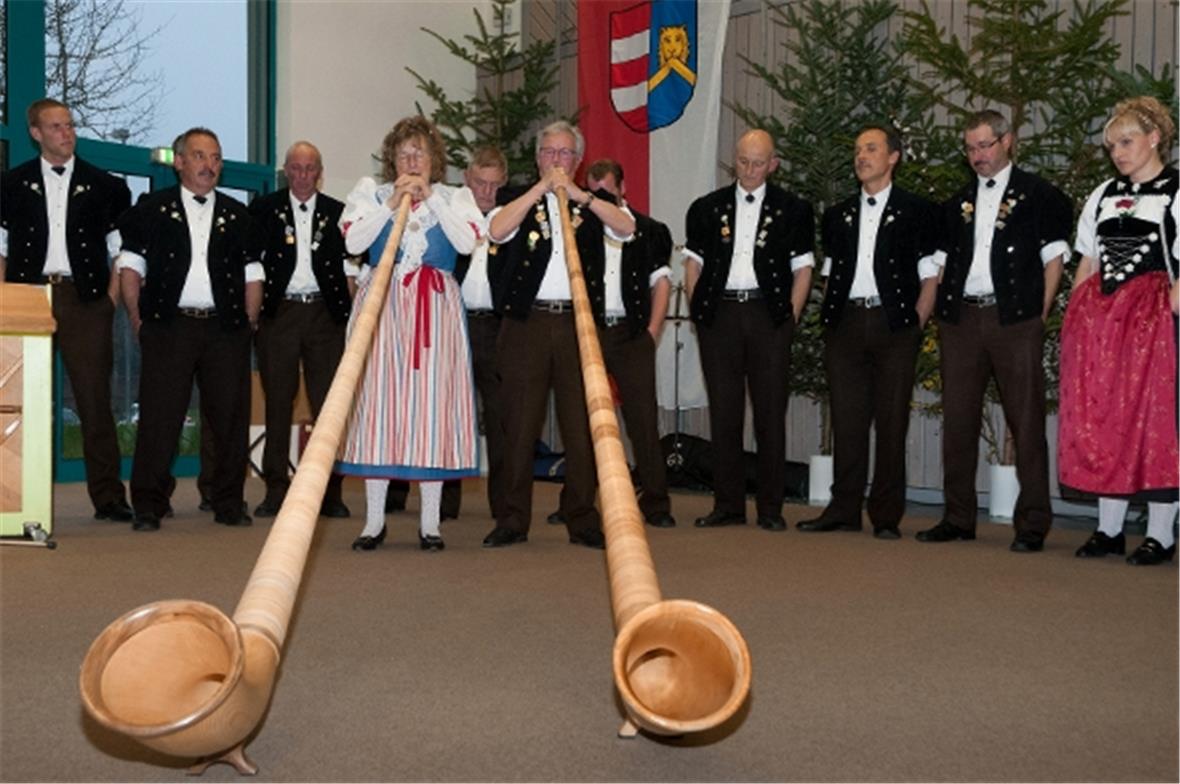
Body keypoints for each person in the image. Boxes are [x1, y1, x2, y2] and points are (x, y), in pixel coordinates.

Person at [917, 109, 1072, 552]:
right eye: (969, 148)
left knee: (1025, 421)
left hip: (1015, 319)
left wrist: (1037, 316)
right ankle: (958, 516)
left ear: (1007, 141)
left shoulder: (1040, 195)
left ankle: (1033, 523)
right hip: (961, 320)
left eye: (984, 145)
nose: (977, 155)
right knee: (958, 420)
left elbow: (1055, 260)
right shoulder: (956, 203)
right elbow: (940, 263)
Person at [482, 121, 635, 549]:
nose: (556, 161)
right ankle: (512, 519)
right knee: (518, 422)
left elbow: (626, 228)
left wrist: (581, 195)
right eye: (548, 153)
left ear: (578, 160)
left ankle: (582, 516)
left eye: (565, 154)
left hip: (578, 325)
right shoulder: (515, 196)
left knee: (583, 424)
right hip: (525, 324)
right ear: (537, 158)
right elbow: (496, 231)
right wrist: (541, 191)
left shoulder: (593, 203)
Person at [336, 116, 481, 552]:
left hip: (435, 312)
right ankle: (374, 522)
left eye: (420, 152)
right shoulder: (372, 192)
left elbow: (466, 243)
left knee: (430, 411)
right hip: (382, 307)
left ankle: (431, 523)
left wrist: (431, 200)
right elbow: (353, 244)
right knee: (379, 408)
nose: (412, 160)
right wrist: (393, 202)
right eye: (404, 153)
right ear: (392, 159)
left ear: (434, 159)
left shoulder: (457, 196)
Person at [117, 127, 263, 531]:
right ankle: (148, 504)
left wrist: (248, 322)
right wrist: (136, 318)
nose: (209, 165)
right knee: (160, 418)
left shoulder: (239, 215)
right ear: (179, 162)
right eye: (199, 156)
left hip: (226, 330)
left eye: (215, 157)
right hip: (169, 327)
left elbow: (253, 274)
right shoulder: (151, 209)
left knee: (230, 419)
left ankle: (229, 502)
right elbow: (131, 266)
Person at [798, 125, 940, 539]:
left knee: (892, 421)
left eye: (871, 149)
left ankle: (885, 515)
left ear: (893, 157)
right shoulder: (838, 214)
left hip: (894, 325)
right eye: (858, 149)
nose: (861, 156)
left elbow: (929, 275)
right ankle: (842, 507)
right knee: (847, 419)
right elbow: (829, 274)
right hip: (845, 326)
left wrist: (915, 324)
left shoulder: (917, 210)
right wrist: (832, 316)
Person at [1059, 96, 1179, 566]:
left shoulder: (1174, 190)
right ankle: (1109, 530)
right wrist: (1079, 312)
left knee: (1156, 422)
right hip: (1105, 326)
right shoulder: (1105, 193)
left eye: (1127, 142)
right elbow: (1087, 257)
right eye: (1112, 147)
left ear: (1154, 139)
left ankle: (1160, 534)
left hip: (1156, 325)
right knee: (1104, 417)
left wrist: (1166, 308)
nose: (1119, 154)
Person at [0, 98, 132, 522]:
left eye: (69, 125)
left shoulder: (106, 187)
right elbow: (1, 250)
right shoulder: (11, 185)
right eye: (55, 127)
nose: (66, 132)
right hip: (28, 297)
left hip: (84, 299)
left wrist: (109, 301)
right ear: (35, 133)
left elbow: (120, 252)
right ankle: (11, 495)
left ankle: (109, 497)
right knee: (18, 400)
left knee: (95, 400)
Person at [683, 128, 815, 531]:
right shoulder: (707, 208)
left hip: (767, 316)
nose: (750, 170)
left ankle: (771, 509)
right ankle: (728, 505)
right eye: (743, 161)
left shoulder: (793, 209)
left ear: (773, 163)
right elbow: (693, 264)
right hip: (719, 315)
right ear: (733, 160)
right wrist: (698, 309)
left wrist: (788, 318)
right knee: (724, 412)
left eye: (759, 163)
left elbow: (803, 268)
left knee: (770, 413)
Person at [386, 146, 509, 521]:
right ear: (467, 181)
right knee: (430, 405)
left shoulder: (511, 219)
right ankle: (424, 499)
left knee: (499, 414)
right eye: (479, 183)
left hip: (495, 326)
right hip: (446, 318)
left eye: (494, 185)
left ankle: (503, 505)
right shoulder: (452, 207)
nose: (486, 192)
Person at [250, 141, 358, 520]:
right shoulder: (263, 209)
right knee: (278, 403)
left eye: (309, 168)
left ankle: (329, 493)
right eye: (295, 168)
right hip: (280, 315)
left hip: (325, 318)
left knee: (328, 408)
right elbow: (253, 267)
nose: (302, 175)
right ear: (286, 170)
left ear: (319, 172)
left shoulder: (339, 213)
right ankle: (276, 490)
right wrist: (257, 315)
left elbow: (350, 271)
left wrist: (348, 317)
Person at [583, 157, 676, 528]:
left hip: (632, 333)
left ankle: (656, 502)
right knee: (584, 419)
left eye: (606, 190)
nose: (599, 198)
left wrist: (652, 333)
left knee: (642, 420)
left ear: (622, 189)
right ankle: (578, 502)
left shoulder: (651, 230)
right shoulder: (581, 227)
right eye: (593, 193)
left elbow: (662, 284)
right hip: (591, 332)